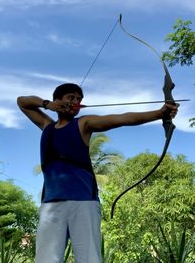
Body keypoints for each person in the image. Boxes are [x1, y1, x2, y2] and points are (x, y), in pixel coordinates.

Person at [17, 83, 178, 263]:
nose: (76, 102)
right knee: (45, 260)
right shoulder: (47, 126)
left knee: (89, 258)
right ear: (57, 101)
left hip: (84, 202)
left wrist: (159, 113)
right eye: (71, 98)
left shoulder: (83, 123)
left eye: (79, 100)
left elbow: (122, 118)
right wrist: (46, 104)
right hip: (51, 205)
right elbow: (22, 102)